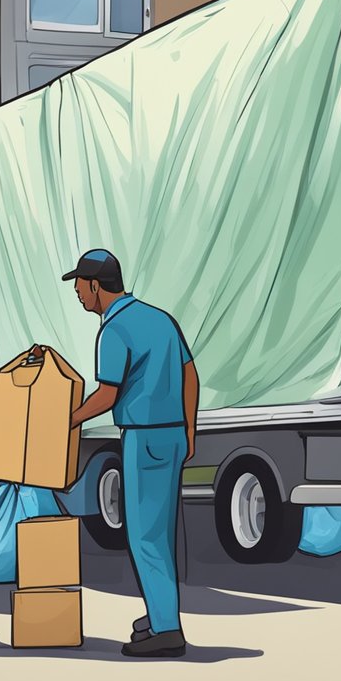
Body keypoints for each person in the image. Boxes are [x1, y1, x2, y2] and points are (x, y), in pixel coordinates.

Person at [57, 249, 198, 659]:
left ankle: (167, 630)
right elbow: (190, 372)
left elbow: (107, 394)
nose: (79, 294)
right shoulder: (161, 319)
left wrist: (68, 418)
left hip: (143, 437)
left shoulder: (114, 330)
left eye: (80, 286)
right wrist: (189, 429)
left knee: (144, 536)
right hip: (170, 436)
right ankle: (159, 615)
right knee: (160, 530)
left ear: (96, 286)